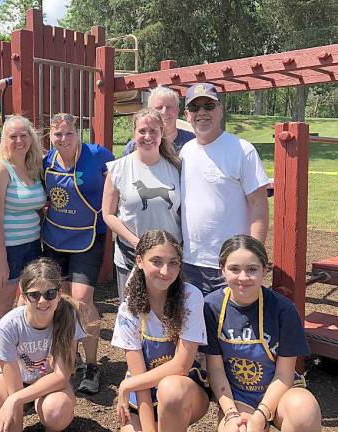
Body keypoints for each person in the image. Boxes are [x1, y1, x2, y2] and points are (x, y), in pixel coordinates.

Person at [202, 235, 321, 431]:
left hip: (281, 390)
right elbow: (215, 370)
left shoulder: (284, 310)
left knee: (304, 410)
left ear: (264, 269)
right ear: (222, 269)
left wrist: (261, 415)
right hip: (237, 395)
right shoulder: (211, 307)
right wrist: (231, 414)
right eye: (234, 269)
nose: (243, 277)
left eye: (252, 269)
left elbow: (284, 374)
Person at [42, 113, 115, 394]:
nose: (63, 139)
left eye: (68, 133)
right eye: (57, 134)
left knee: (82, 300)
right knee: (59, 302)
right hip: (54, 239)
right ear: (51, 136)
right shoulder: (45, 161)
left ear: (78, 132)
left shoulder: (97, 155)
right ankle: (70, 360)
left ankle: (93, 364)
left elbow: (120, 178)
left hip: (88, 236)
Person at [0, 258, 86, 431]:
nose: (42, 301)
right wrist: (14, 402)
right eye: (34, 294)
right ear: (23, 296)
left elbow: (61, 376)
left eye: (50, 293)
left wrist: (14, 400)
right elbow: (14, 386)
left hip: (50, 384)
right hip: (18, 379)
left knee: (56, 411)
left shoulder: (68, 318)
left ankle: (48, 420)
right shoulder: (8, 326)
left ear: (59, 294)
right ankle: (27, 403)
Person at [111, 230, 209, 432]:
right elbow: (140, 381)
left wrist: (127, 385)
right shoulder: (129, 309)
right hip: (143, 395)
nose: (165, 271)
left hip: (183, 392)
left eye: (173, 263)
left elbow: (181, 366)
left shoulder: (190, 297)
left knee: (170, 389)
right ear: (139, 261)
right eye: (156, 261)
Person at [180, 83, 270, 295]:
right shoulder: (185, 152)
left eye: (208, 106)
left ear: (220, 110)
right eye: (194, 108)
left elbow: (259, 207)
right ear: (186, 115)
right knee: (193, 325)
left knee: (229, 326)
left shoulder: (242, 150)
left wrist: (252, 257)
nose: (201, 112)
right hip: (190, 262)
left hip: (231, 263)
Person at [0, 115, 46, 373]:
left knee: (27, 301)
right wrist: (0, 262)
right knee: (2, 303)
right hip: (8, 249)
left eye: (24, 135)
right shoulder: (2, 169)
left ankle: (21, 354)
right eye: (13, 136)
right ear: (5, 141)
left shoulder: (34, 168)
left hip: (33, 245)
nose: (19, 140)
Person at [103, 108, 181, 300]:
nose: (148, 136)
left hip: (169, 257)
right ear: (134, 133)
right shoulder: (118, 168)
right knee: (132, 315)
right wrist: (135, 242)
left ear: (162, 133)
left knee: (168, 313)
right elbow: (108, 214)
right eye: (142, 131)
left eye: (153, 131)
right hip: (131, 254)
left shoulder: (176, 167)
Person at [121, 86, 195, 156]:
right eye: (159, 108)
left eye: (169, 107)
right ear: (149, 111)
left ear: (178, 110)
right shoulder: (134, 146)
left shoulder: (192, 141)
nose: (164, 112)